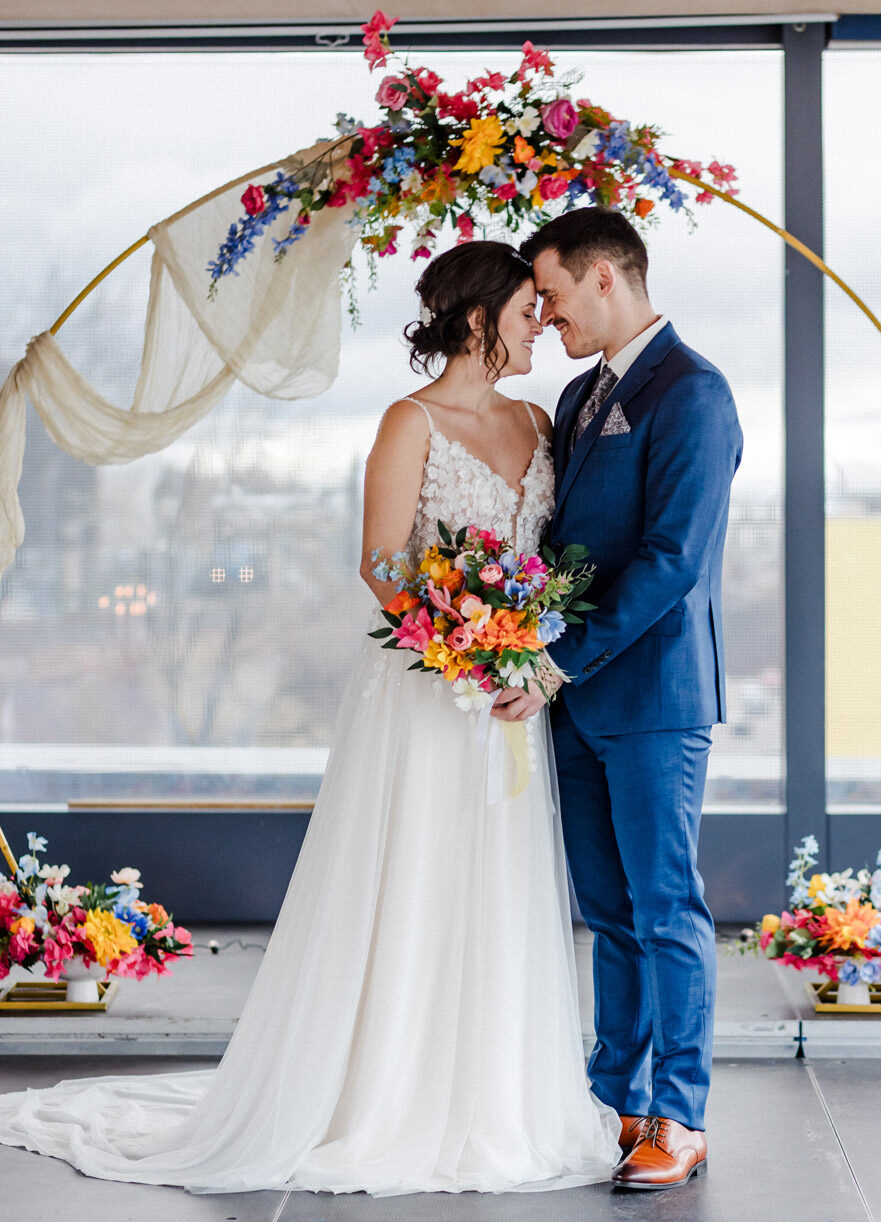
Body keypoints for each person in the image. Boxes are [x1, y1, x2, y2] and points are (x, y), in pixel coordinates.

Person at [0, 241, 620, 1195]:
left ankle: (492, 1094)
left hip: (509, 697)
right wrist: (462, 636)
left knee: (495, 882)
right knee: (414, 874)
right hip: (427, 690)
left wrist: (521, 645)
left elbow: (551, 556)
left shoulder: (544, 419)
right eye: (527, 307)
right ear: (476, 320)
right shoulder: (408, 421)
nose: (542, 320)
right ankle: (384, 1094)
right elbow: (379, 562)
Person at [493, 208, 743, 1190]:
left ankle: (681, 1113)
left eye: (551, 295)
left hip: (653, 695)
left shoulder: (695, 392)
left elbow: (674, 562)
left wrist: (561, 660)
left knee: (666, 904)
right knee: (607, 909)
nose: (545, 316)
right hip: (575, 697)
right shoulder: (575, 392)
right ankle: (617, 1099)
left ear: (606, 278)